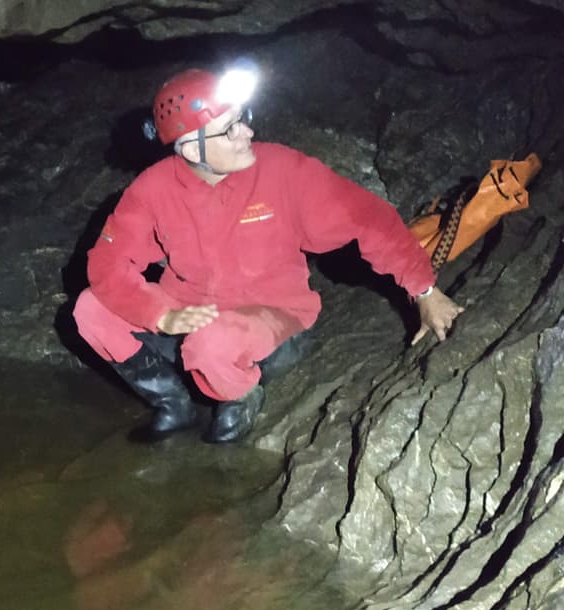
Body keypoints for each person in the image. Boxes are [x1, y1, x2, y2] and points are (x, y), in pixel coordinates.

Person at [72, 64, 464, 444]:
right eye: (230, 129)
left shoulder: (281, 169)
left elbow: (368, 219)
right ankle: (172, 404)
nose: (248, 132)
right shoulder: (151, 191)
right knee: (91, 310)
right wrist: (162, 315)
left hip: (274, 320)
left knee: (210, 344)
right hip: (190, 314)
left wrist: (425, 292)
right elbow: (107, 266)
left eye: (244, 117)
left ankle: (241, 395)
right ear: (192, 148)